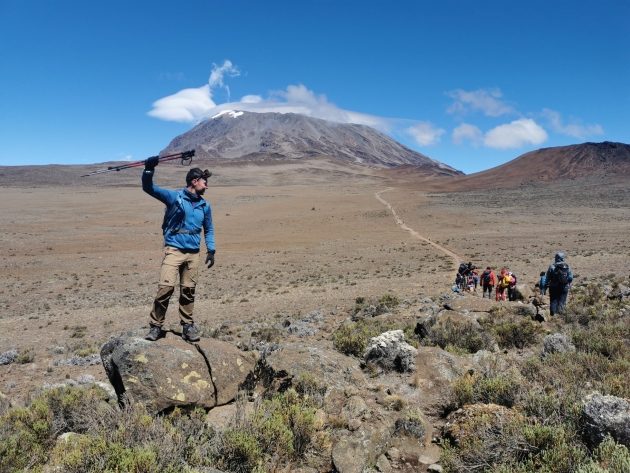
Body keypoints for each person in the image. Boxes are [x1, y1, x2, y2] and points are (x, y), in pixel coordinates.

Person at [142, 156, 215, 342]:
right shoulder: (174, 197)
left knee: (188, 291)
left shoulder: (205, 206)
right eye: (204, 182)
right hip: (174, 250)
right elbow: (149, 188)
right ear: (194, 181)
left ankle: (188, 326)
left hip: (193, 253)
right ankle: (156, 326)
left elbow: (209, 229)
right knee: (165, 288)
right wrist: (149, 170)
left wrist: (211, 250)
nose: (207, 186)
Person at [545, 251, 573, 316]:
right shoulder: (567, 266)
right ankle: (561, 317)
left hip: (553, 287)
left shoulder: (552, 266)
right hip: (564, 287)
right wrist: (568, 283)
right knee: (562, 302)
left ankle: (553, 317)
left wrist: (545, 286)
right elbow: (571, 277)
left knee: (553, 301)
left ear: (556, 258)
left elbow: (547, 277)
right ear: (563, 258)